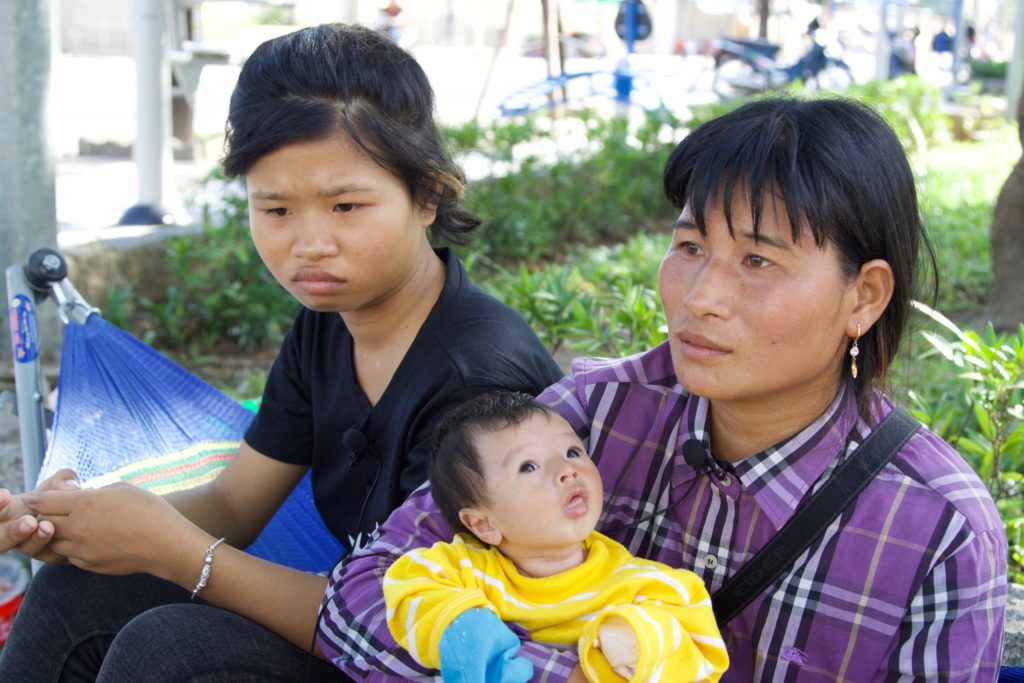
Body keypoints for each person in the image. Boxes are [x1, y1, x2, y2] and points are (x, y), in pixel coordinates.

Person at [318, 96, 1008, 681]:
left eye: (759, 260)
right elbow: (355, 597)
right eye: (689, 248)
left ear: (865, 295)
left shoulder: (936, 532)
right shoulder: (589, 417)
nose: (701, 297)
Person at [0, 23, 562, 682]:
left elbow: (400, 629)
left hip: (456, 656)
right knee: (78, 588)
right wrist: (86, 519)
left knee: (169, 650)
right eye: (276, 210)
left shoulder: (478, 382)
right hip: (359, 623)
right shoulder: (327, 326)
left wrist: (180, 551)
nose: (310, 243)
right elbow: (235, 505)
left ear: (427, 195)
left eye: (346, 205)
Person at [383, 391, 729, 682]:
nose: (567, 470)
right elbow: (407, 590)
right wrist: (475, 639)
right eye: (528, 466)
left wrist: (637, 637)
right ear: (482, 524)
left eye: (573, 452)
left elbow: (701, 652)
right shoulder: (461, 567)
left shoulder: (648, 587)